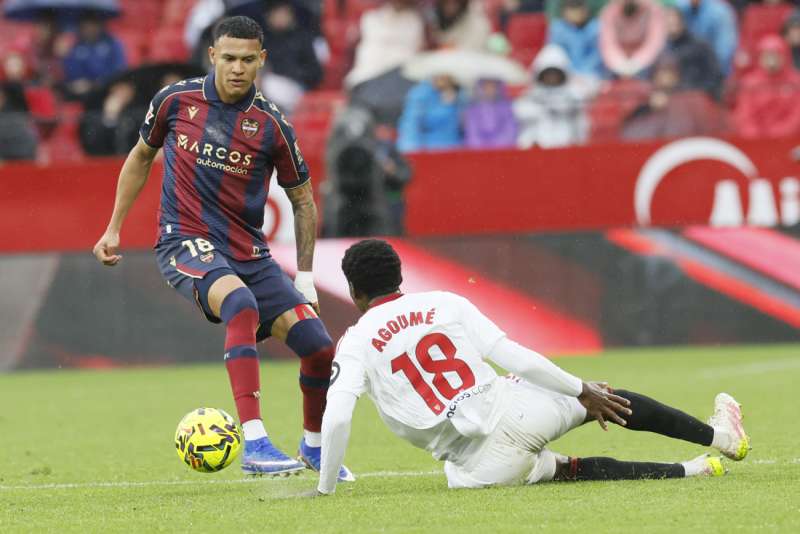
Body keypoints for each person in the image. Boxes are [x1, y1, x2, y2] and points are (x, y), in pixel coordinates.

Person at [91, 16, 352, 480]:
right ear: (212, 55)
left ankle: (313, 448)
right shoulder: (175, 100)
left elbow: (302, 199)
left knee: (319, 347)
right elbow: (140, 158)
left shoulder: (272, 124)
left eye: (247, 60)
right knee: (239, 302)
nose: (237, 68)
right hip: (183, 240)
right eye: (228, 58)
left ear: (261, 61)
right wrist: (113, 227)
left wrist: (307, 276)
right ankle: (254, 443)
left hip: (250, 253)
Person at [313, 239, 751, 494]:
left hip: (480, 467)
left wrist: (326, 489)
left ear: (352, 291)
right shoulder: (444, 302)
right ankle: (721, 437)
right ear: (400, 274)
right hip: (518, 411)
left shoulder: (354, 343)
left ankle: (693, 470)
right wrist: (579, 388)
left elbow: (335, 420)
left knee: (561, 470)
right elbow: (512, 354)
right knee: (608, 398)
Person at [622, 54, 726, 141]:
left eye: (670, 72)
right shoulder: (642, 101)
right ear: (654, 75)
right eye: (662, 72)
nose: (666, 78)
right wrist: (647, 107)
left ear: (677, 75)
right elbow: (630, 134)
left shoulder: (693, 100)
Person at [513, 44, 589, 149]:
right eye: (548, 74)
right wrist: (542, 109)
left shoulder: (573, 98)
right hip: (537, 153)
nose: (551, 78)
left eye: (555, 74)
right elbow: (520, 117)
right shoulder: (530, 97)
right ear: (540, 74)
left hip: (565, 151)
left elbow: (581, 127)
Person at [259, 1, 323, 114]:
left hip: (298, 88)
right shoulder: (265, 41)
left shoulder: (302, 38)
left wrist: (292, 74)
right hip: (271, 89)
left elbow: (316, 73)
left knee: (267, 84)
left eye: (283, 13)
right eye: (275, 14)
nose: (279, 17)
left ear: (290, 15)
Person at [734, 34, 800, 139]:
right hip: (755, 143)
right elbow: (744, 116)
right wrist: (756, 137)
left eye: (775, 55)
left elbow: (797, 117)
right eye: (767, 55)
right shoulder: (749, 84)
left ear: (785, 56)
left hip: (788, 142)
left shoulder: (796, 82)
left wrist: (778, 134)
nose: (771, 61)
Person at [62, 11, 127, 100]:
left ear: (99, 25)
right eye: (84, 25)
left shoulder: (112, 43)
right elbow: (72, 73)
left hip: (107, 90)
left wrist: (94, 84)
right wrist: (65, 57)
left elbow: (118, 71)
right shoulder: (75, 46)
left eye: (92, 24)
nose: (88, 29)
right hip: (82, 93)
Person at [663, 6, 723, 99]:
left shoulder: (700, 47)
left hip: (699, 100)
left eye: (673, 21)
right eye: (667, 22)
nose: (671, 25)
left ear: (681, 22)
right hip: (673, 102)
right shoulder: (661, 51)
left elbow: (715, 78)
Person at [599, 0, 667, 78]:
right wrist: (619, 63)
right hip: (616, 64)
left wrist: (637, 63)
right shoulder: (610, 11)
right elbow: (607, 43)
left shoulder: (653, 10)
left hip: (647, 63)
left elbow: (655, 42)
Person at [397, 75, 465, 152]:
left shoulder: (456, 93)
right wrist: (447, 106)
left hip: (450, 145)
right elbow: (416, 123)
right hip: (429, 147)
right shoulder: (421, 94)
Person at [676, 0, 738, 75]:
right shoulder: (681, 7)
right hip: (685, 73)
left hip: (713, 74)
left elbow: (724, 53)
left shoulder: (720, 12)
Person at [548, 0, 605, 80]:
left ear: (585, 10)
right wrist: (569, 73)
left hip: (592, 75)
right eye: (572, 9)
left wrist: (582, 73)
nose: (576, 14)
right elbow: (554, 54)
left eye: (578, 8)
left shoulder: (596, 27)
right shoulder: (558, 29)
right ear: (564, 12)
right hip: (565, 76)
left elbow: (598, 57)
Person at [463, 78, 518, 149]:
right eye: (486, 87)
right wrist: (482, 146)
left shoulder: (506, 107)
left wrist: (497, 145)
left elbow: (510, 129)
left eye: (493, 87)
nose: (490, 90)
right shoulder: (473, 109)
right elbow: (471, 132)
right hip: (478, 151)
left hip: (502, 149)